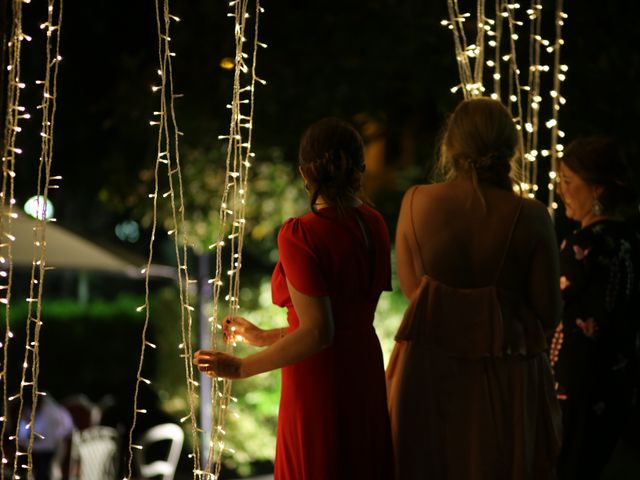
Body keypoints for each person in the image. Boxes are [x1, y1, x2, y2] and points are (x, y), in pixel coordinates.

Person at [194, 117, 394, 479]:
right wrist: (260, 337)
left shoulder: (302, 234)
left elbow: (319, 333)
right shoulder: (375, 225)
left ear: (305, 172)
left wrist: (241, 368)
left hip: (320, 382)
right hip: (363, 370)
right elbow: (338, 323)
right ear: (359, 169)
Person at [386, 97, 562, 479]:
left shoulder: (416, 202)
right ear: (511, 148)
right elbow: (549, 311)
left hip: (427, 374)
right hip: (508, 378)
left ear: (450, 145)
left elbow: (416, 294)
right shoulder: (531, 216)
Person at [553, 136, 640, 479]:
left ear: (598, 189)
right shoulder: (631, 241)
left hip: (577, 383)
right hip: (619, 381)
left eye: (569, 182)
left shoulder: (584, 245)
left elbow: (547, 303)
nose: (561, 190)